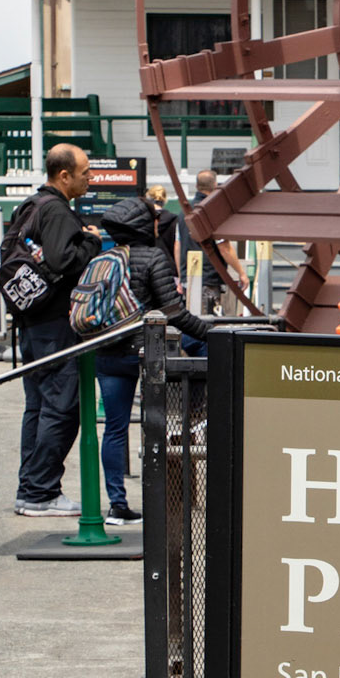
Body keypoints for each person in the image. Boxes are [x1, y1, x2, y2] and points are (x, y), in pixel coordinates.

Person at [91, 196, 222, 520]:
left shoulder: (104, 258)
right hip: (147, 353)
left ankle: (117, 505)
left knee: (115, 429)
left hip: (107, 351)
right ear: (143, 225)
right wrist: (211, 333)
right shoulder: (153, 257)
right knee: (157, 424)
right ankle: (194, 419)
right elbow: (173, 312)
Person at [9, 143, 101, 515]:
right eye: (85, 172)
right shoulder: (58, 211)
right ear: (64, 176)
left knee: (37, 406)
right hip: (54, 323)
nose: (90, 178)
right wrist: (92, 241)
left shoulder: (29, 206)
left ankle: (30, 488)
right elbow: (63, 260)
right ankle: (41, 491)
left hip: (30, 320)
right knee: (62, 406)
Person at [190, 168, 249, 316]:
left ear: (197, 186)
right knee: (208, 322)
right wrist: (241, 273)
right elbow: (225, 248)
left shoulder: (184, 212)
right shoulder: (212, 212)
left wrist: (181, 275)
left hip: (187, 278)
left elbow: (177, 246)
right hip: (208, 278)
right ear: (215, 185)